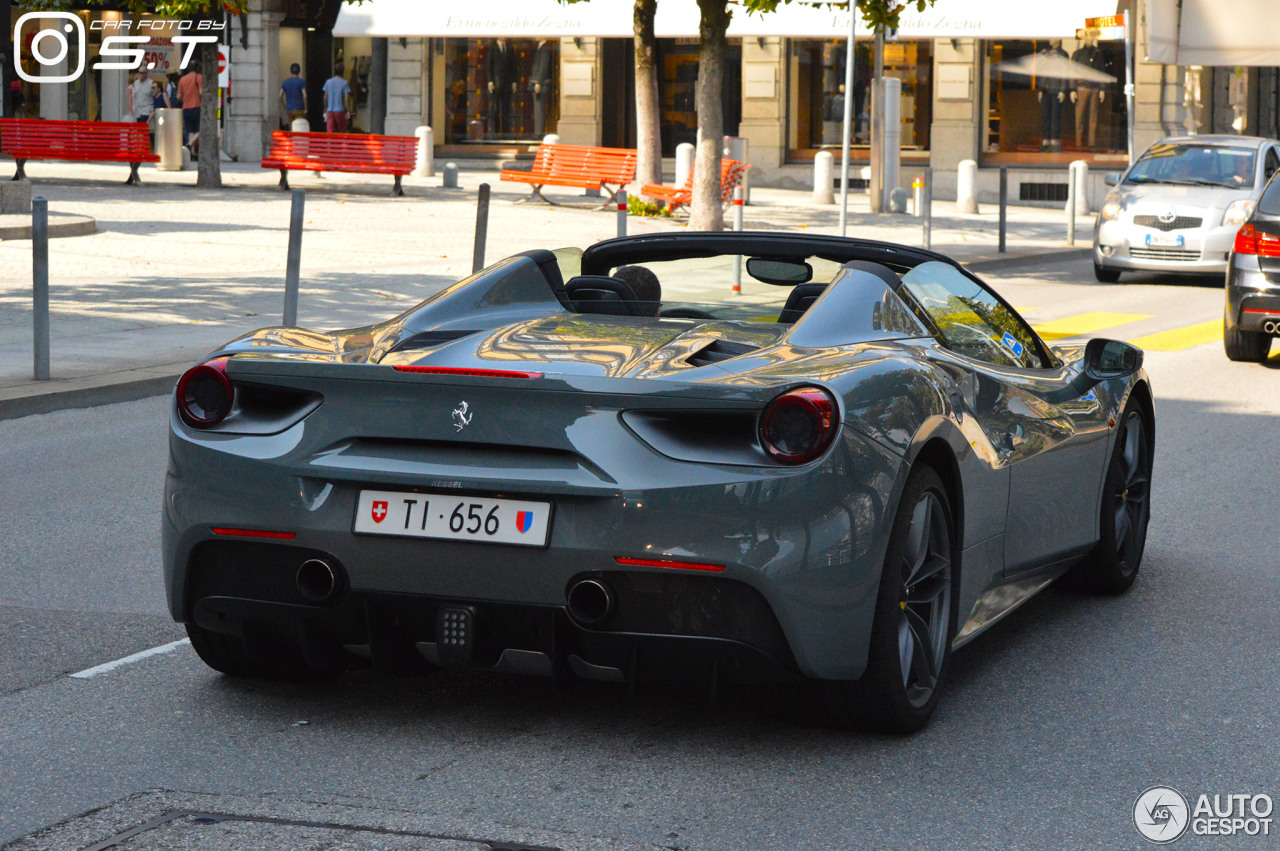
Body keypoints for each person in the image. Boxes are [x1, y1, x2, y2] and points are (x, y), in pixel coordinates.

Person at [177, 65, 203, 149]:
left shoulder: (182, 79)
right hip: (196, 106)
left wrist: (185, 100)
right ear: (197, 68)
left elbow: (178, 96)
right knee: (200, 130)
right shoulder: (199, 77)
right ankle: (189, 145)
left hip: (186, 108)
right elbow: (201, 92)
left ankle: (192, 152)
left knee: (191, 131)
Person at [322, 65, 352, 133]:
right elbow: (346, 99)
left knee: (330, 133)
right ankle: (341, 143)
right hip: (340, 111)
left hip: (330, 111)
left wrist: (324, 110)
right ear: (342, 72)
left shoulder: (328, 82)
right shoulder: (344, 83)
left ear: (334, 71)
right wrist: (347, 111)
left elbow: (325, 98)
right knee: (342, 131)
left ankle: (330, 143)